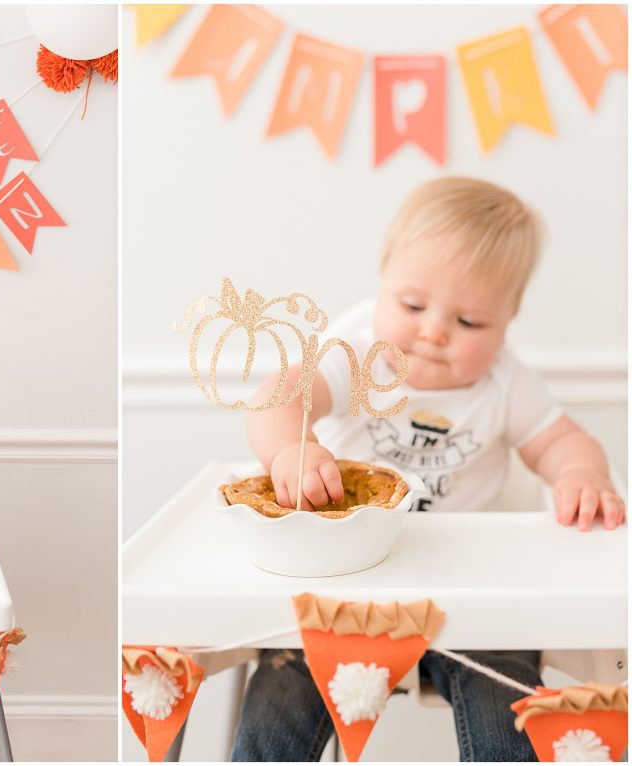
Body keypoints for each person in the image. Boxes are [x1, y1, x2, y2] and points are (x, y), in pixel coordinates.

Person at [233, 177, 624, 761]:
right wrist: (293, 447)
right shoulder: (356, 352)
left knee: (507, 697)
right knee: (284, 688)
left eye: (470, 323)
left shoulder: (506, 382)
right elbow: (279, 396)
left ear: (509, 320)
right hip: (345, 581)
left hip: (471, 589)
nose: (435, 331)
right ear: (384, 281)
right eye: (413, 305)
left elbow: (562, 440)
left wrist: (579, 475)